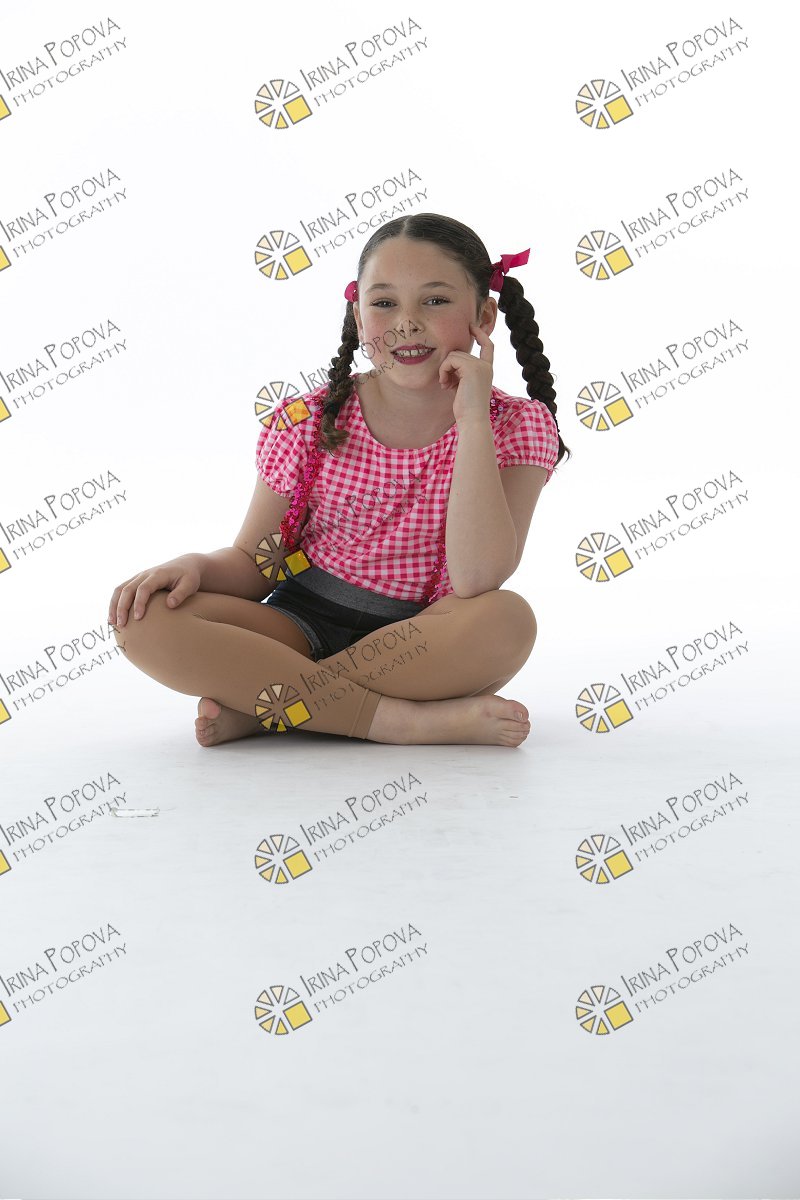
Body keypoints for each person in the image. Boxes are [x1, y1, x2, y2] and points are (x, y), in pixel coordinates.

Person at [108, 212, 571, 748]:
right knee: (144, 619)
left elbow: (475, 578)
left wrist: (472, 421)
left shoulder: (515, 425)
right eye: (384, 303)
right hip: (294, 629)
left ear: (484, 316)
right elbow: (256, 564)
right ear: (357, 315)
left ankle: (268, 707)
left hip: (422, 641)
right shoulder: (308, 420)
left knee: (507, 620)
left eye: (435, 300)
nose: (406, 322)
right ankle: (399, 721)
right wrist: (195, 566)